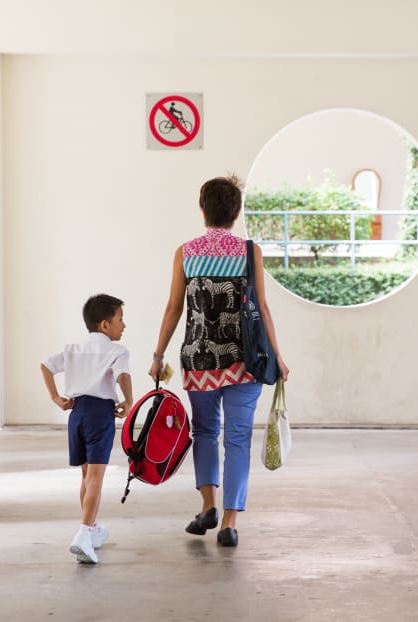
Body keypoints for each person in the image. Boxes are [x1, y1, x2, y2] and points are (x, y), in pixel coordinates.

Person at [149, 175, 289, 548]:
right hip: (245, 360)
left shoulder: (186, 252)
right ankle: (229, 522)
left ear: (202, 210)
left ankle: (208, 505)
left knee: (205, 432)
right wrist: (277, 354)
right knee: (238, 438)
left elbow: (173, 308)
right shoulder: (249, 252)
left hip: (199, 359)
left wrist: (158, 355)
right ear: (236, 212)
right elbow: (261, 308)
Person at [41, 294, 133, 564]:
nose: (124, 326)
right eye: (120, 319)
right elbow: (123, 375)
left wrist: (56, 398)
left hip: (77, 415)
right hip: (99, 416)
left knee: (85, 478)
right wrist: (129, 401)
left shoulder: (73, 350)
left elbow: (45, 366)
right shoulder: (117, 351)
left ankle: (91, 529)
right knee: (96, 479)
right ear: (105, 325)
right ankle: (82, 535)